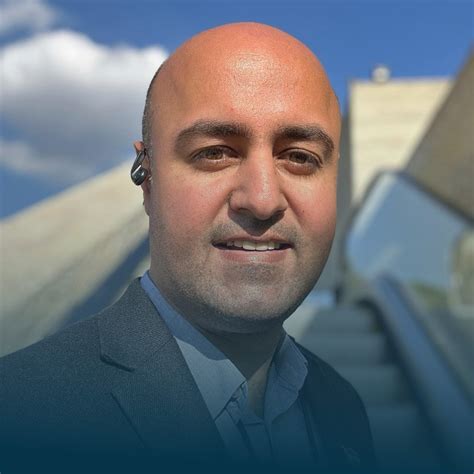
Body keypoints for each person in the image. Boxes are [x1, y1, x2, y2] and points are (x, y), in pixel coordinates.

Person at [0, 23, 376, 473]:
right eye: (215, 152)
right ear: (147, 181)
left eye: (299, 157)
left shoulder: (341, 407)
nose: (262, 200)